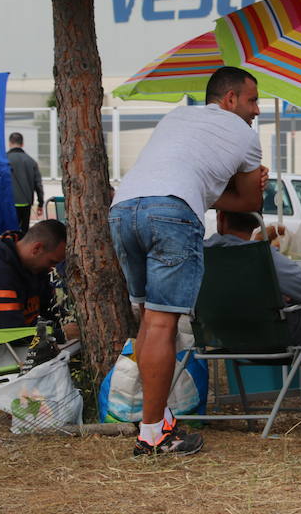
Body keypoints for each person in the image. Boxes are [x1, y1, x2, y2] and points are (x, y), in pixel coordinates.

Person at [109, 66, 267, 457]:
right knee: (163, 322)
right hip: (173, 213)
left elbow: (184, 175)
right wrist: (251, 183)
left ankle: (158, 420)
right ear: (229, 99)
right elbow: (248, 204)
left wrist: (205, 190)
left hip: (124, 208)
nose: (257, 110)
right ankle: (152, 435)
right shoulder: (246, 136)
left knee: (149, 317)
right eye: (252, 100)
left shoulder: (175, 116)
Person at [205, 210, 301, 343]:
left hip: (222, 335)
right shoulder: (266, 258)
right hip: (277, 338)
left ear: (220, 217)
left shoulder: (202, 255)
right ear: (258, 220)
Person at [0, 220, 66, 330]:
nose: (53, 268)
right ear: (36, 249)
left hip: (19, 339)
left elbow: (51, 311)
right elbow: (13, 335)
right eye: (52, 262)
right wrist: (61, 335)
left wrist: (67, 323)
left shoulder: (35, 267)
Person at [7, 132, 45, 234]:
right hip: (26, 202)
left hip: (9, 203)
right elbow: (38, 184)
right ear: (22, 144)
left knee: (9, 232)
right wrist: (40, 203)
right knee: (24, 232)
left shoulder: (4, 160)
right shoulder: (31, 161)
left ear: (9, 143)